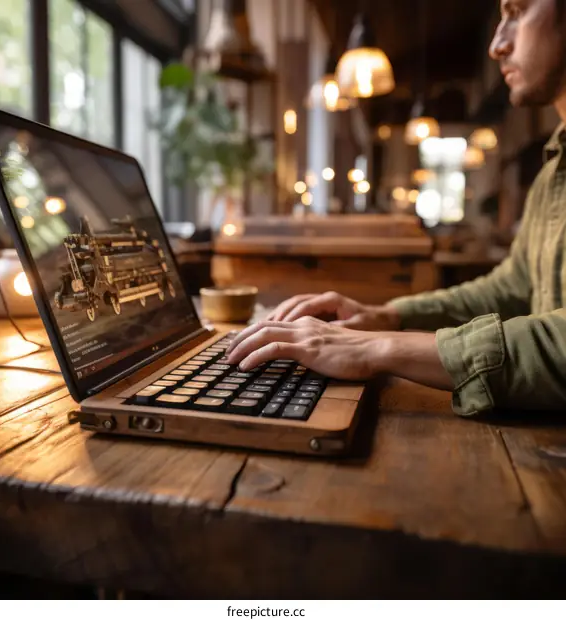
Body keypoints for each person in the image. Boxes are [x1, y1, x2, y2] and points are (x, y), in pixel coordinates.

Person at [226, 0, 566, 416]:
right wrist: (385, 315)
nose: (497, 44)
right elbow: (511, 289)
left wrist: (377, 347)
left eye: (517, 12)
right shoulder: (553, 173)